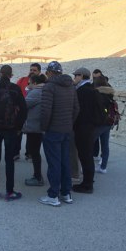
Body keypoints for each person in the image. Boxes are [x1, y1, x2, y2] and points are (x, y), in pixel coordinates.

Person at [0, 65, 27, 201]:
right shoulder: (15, 88)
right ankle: (9, 192)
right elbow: (23, 110)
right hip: (10, 129)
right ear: (11, 75)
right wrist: (18, 127)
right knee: (9, 160)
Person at [38, 61, 79, 207]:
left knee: (54, 163)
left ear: (50, 72)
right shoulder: (71, 86)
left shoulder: (49, 87)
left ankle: (53, 195)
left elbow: (46, 111)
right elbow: (76, 109)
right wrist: (69, 123)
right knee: (65, 162)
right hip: (66, 130)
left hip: (53, 131)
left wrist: (44, 127)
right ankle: (66, 193)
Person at [72, 67, 99, 194]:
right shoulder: (92, 89)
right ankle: (88, 182)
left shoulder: (82, 91)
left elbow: (78, 111)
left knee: (85, 156)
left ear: (81, 76)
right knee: (87, 155)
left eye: (76, 75)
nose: (74, 78)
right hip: (90, 127)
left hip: (83, 127)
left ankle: (87, 185)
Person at [23, 73, 47, 186]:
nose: (28, 85)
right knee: (35, 151)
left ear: (35, 83)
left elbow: (25, 104)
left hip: (34, 127)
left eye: (29, 83)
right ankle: (37, 176)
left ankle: (38, 177)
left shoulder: (36, 92)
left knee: (35, 152)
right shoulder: (44, 90)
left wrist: (28, 91)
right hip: (39, 126)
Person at [93, 77, 116, 174]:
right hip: (108, 122)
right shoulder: (110, 94)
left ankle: (87, 167)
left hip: (99, 123)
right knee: (105, 145)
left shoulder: (97, 94)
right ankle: (103, 167)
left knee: (89, 144)